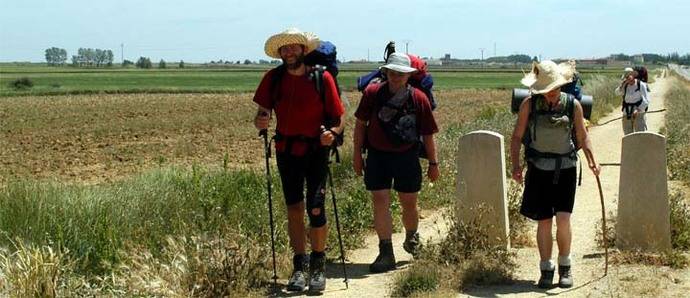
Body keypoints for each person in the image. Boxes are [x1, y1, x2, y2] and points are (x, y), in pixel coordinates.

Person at [253, 28, 345, 293]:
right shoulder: (274, 78)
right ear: (280, 53)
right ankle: (298, 267)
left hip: (316, 151)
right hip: (286, 150)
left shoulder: (321, 77)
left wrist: (332, 134)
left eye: (293, 47)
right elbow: (262, 112)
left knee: (316, 208)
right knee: (294, 208)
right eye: (284, 48)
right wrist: (261, 120)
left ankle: (318, 266)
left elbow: (338, 119)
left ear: (304, 50)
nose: (289, 52)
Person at [510, 60, 601, 289]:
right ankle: (546, 268)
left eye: (554, 89)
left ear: (561, 86)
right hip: (538, 169)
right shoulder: (528, 106)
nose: (551, 95)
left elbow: (583, 136)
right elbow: (516, 137)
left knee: (563, 220)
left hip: (565, 170)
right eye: (546, 91)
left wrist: (592, 160)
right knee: (543, 222)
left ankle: (565, 266)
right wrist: (515, 166)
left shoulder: (574, 106)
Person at [352, 52, 440, 273]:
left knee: (408, 203)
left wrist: (433, 163)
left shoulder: (419, 98)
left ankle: (411, 238)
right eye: (392, 72)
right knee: (379, 200)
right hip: (377, 156)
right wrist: (356, 155)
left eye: (401, 73)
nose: (396, 77)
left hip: (407, 156)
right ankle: (385, 251)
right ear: (386, 72)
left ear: (408, 76)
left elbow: (428, 134)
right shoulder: (372, 93)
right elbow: (360, 125)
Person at [616, 67, 650, 134]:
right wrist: (621, 85)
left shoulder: (641, 85)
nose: (628, 79)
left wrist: (638, 109)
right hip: (627, 113)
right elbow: (616, 93)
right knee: (627, 135)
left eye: (629, 77)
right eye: (626, 78)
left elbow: (646, 100)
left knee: (640, 134)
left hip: (639, 113)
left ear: (634, 76)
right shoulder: (625, 86)